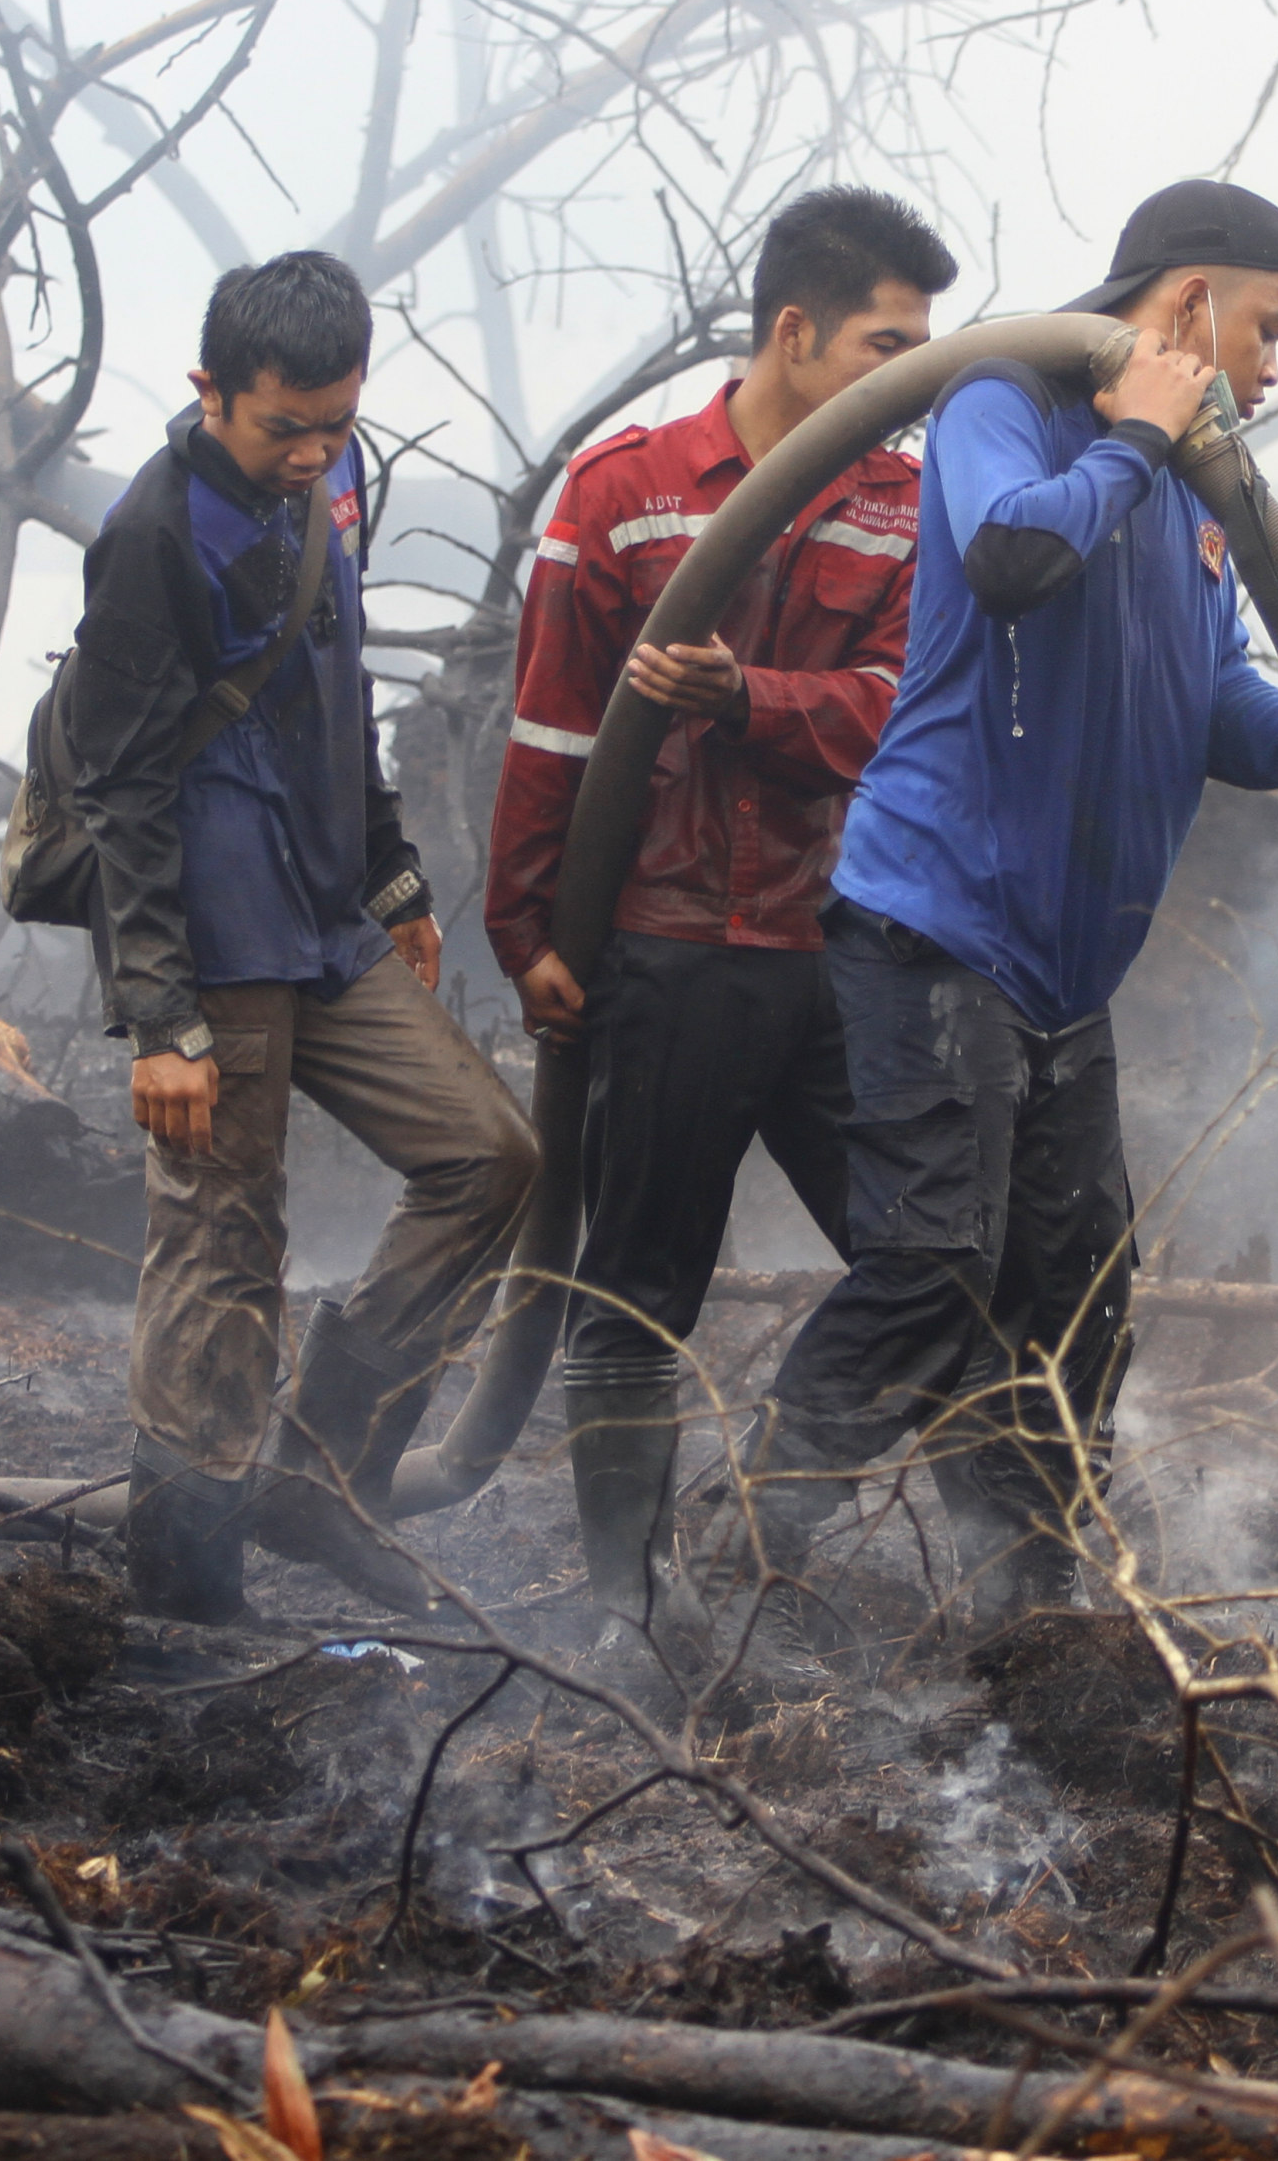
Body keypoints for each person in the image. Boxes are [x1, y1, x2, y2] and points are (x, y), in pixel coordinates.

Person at [730, 179, 1278, 1664]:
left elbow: (1221, 704)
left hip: (1066, 970)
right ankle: (742, 1546)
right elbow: (1013, 560)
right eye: (1265, 329)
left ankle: (1032, 1602)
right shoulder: (1006, 400)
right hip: (939, 925)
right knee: (935, 1265)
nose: (1274, 367)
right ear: (1189, 301)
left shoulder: (1191, 489)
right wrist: (1136, 433)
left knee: (1078, 1292)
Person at [485, 187, 957, 1685]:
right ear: (794, 331)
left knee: (929, 1253)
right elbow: (554, 727)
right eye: (888, 347)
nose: (912, 381)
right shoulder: (625, 489)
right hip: (667, 951)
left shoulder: (905, 503)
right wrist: (527, 929)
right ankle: (631, 1607)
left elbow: (898, 710)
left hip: (831, 949)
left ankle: (769, 1525)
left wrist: (745, 697)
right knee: (638, 1285)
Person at [64, 251, 538, 1622]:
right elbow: (115, 787)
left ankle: (320, 1474)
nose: (315, 452)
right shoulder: (153, 532)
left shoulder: (333, 480)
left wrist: (390, 874)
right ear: (210, 389)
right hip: (214, 934)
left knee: (493, 1158)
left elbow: (334, 684)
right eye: (285, 426)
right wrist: (161, 1019)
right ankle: (185, 1596)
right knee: (221, 1244)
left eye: (337, 421)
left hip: (327, 918)